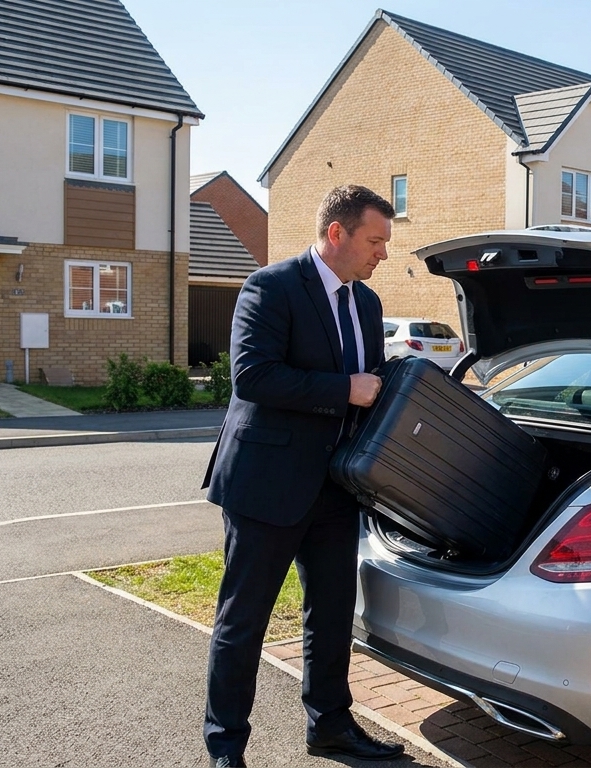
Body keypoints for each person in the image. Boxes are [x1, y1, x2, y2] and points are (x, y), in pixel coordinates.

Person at [200, 185, 403, 767]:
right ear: (336, 233)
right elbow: (253, 377)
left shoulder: (365, 303)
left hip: (336, 486)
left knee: (333, 616)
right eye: (375, 240)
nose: (382, 253)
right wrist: (345, 389)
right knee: (243, 622)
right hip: (267, 484)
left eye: (385, 243)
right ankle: (225, 747)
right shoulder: (270, 286)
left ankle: (331, 728)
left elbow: (370, 378)